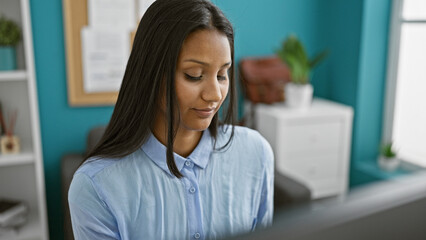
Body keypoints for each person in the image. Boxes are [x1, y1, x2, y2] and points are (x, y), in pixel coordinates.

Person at [68, 0, 274, 239]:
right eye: (194, 75)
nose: (215, 95)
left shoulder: (255, 153)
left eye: (221, 75)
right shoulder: (95, 186)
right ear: (151, 74)